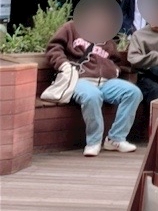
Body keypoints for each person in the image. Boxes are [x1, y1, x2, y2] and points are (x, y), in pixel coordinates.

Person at [46, 18, 141, 157]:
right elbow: (53, 48)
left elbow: (115, 59)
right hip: (80, 79)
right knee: (92, 95)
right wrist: (63, 65)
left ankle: (116, 139)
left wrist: (114, 69)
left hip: (106, 82)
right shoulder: (70, 28)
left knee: (133, 92)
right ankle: (93, 142)